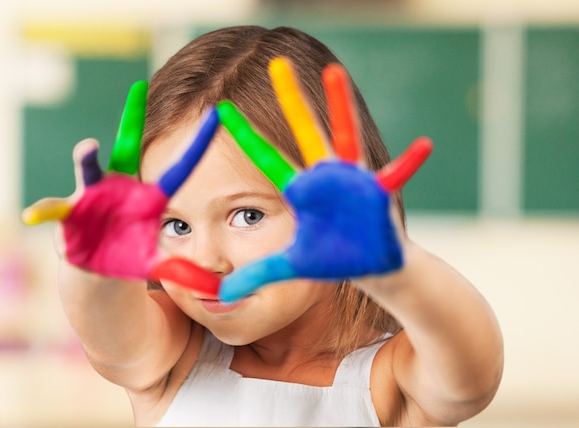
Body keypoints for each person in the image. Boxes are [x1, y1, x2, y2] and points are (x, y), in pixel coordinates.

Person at [25, 26, 503, 426]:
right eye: (174, 224)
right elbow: (112, 339)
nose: (208, 259)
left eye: (247, 216)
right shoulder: (174, 353)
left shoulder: (391, 377)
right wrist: (91, 266)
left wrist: (395, 269)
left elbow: (471, 377)